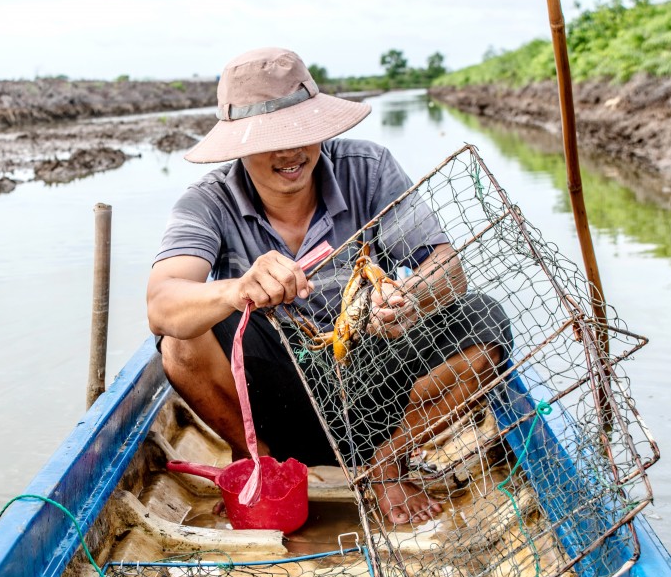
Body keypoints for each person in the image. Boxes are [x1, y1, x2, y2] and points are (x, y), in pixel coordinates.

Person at [147, 47, 511, 525]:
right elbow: (162, 301)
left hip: (376, 379)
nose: (290, 152)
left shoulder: (369, 168)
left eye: (301, 131)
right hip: (274, 395)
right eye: (269, 139)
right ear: (238, 145)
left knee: (484, 319)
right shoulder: (208, 201)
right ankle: (262, 464)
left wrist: (409, 298)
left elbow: (445, 266)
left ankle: (386, 465)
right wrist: (235, 290)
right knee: (181, 340)